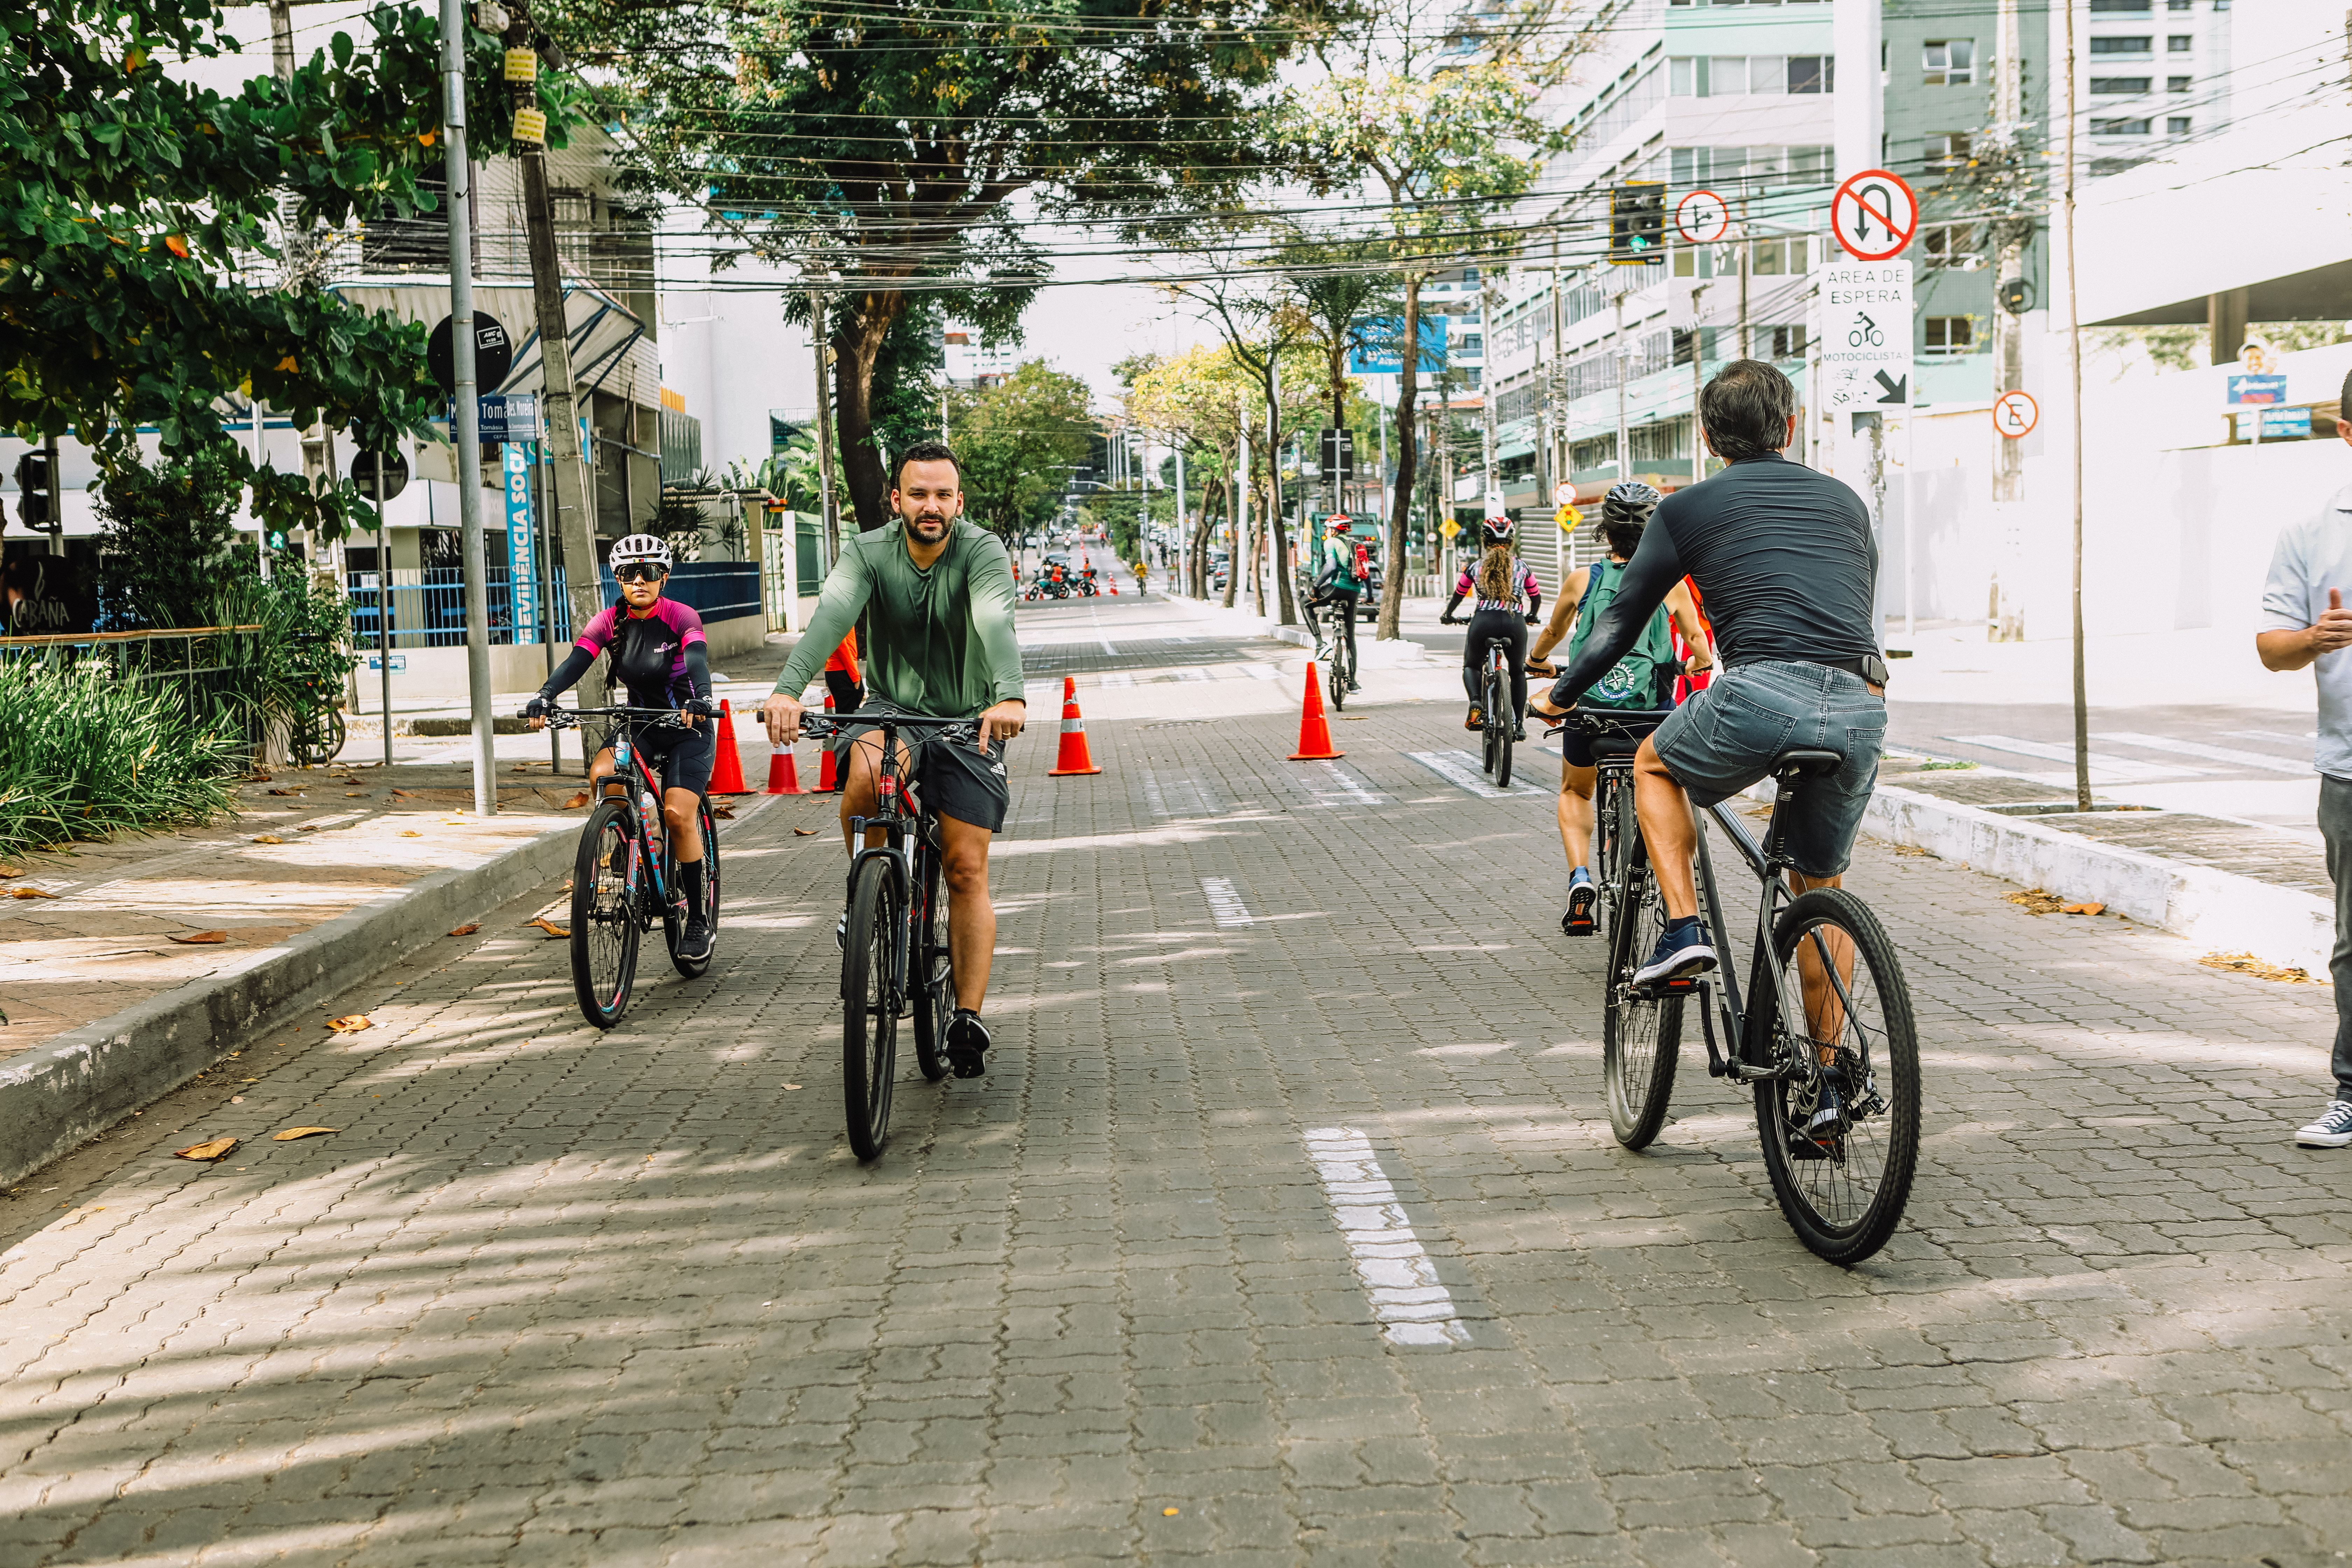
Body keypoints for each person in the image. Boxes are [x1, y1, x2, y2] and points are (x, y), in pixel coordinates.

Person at [1530, 358, 1885, 1009]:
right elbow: (1859, 607)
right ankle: (1829, 1086)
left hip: (1760, 694)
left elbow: (1619, 622)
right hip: (1862, 703)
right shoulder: (1846, 501)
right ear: (1791, 424)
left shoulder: (1687, 508)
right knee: (1819, 890)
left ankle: (1684, 930)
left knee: (1654, 767)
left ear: (1706, 437)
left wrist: (1560, 692)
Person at [761, 441, 1026, 1079]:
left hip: (968, 718)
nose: (930, 506)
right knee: (864, 774)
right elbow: (831, 618)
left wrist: (1009, 694)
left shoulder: (982, 550)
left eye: (942, 495)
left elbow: (995, 621)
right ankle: (864, 894)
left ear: (958, 502)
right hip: (892, 711)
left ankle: (966, 1015)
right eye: (918, 494)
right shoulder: (867, 551)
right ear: (897, 500)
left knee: (964, 868)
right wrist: (788, 688)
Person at [1527, 482, 1715, 937]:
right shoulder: (1671, 585)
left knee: (1576, 792)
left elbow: (1553, 633)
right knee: (1669, 788)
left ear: (1605, 532)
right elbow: (1699, 649)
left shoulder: (1582, 579)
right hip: (1649, 719)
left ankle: (1581, 877)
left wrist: (1537, 662)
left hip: (1590, 717)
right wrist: (1693, 664)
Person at [524, 534, 720, 961]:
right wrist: (545, 695)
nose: (639, 581)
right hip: (641, 725)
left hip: (689, 725)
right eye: (628, 573)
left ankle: (699, 920)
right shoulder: (609, 621)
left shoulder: (681, 616)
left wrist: (701, 699)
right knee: (604, 774)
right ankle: (623, 836)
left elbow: (697, 660)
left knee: (677, 812)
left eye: (649, 572)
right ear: (618, 578)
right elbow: (578, 660)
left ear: (663, 577)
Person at [2256, 368, 2352, 1149]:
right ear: (2347, 435)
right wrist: (2313, 641)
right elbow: (2271, 646)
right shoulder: (2313, 532)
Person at [1440, 516, 1542, 738]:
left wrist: (1448, 615)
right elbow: (1536, 596)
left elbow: (1458, 595)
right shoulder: (1522, 567)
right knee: (1517, 671)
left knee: (1472, 666)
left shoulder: (1476, 567)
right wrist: (1532, 615)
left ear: (1485, 541)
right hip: (1515, 622)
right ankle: (1518, 725)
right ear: (1511, 541)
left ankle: (1476, 702)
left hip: (1483, 622)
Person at [1304, 514, 1370, 690]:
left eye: (1328, 529)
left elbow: (1331, 567)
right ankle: (1353, 683)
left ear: (1333, 530)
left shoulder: (1331, 542)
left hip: (1337, 588)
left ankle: (1320, 644)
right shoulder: (1357, 545)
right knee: (1350, 638)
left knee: (1305, 603)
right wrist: (1369, 596)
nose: (1327, 532)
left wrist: (1316, 587)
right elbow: (1365, 571)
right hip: (1354, 592)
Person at [825, 627, 864, 716]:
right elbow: (842, 647)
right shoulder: (843, 617)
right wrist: (855, 676)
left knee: (844, 712)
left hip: (835, 670)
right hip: (842, 670)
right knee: (848, 715)